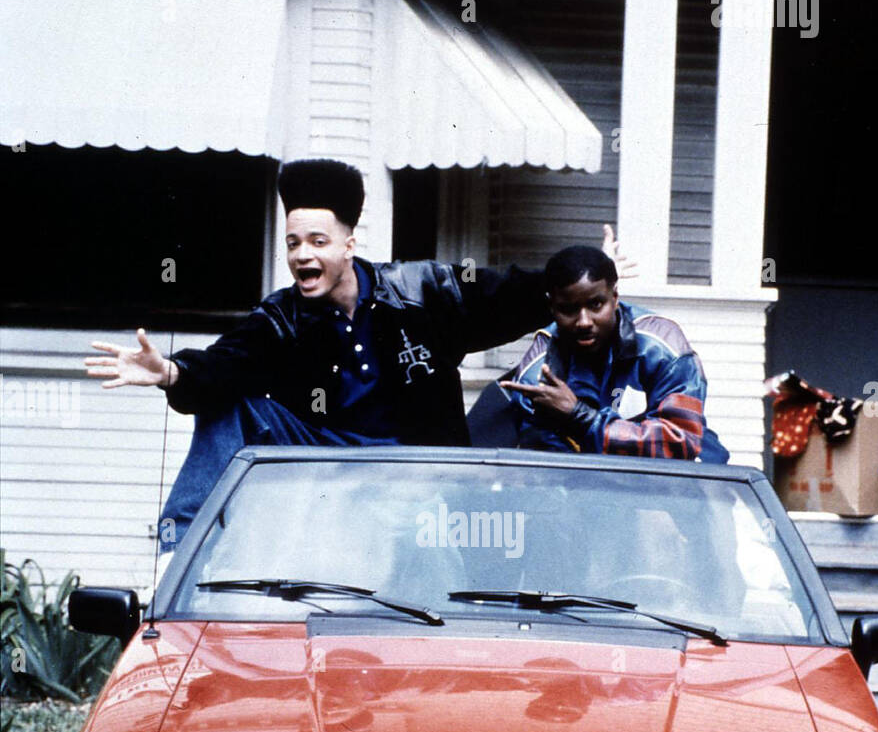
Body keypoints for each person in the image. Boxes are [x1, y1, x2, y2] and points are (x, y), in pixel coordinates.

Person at [85, 160, 631, 545]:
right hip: (324, 466)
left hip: (418, 474)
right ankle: (178, 548)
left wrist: (587, 278)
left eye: (318, 242)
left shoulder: (423, 290)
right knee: (228, 405)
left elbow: (511, 291)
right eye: (294, 243)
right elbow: (228, 362)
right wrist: (171, 372)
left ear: (349, 244)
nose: (303, 255)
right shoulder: (284, 316)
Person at [499, 245, 728, 462]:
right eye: (568, 309)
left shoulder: (662, 348)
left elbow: (681, 442)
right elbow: (552, 469)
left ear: (615, 297)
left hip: (678, 484)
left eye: (596, 304)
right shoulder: (537, 374)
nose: (584, 322)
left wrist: (581, 417)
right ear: (552, 307)